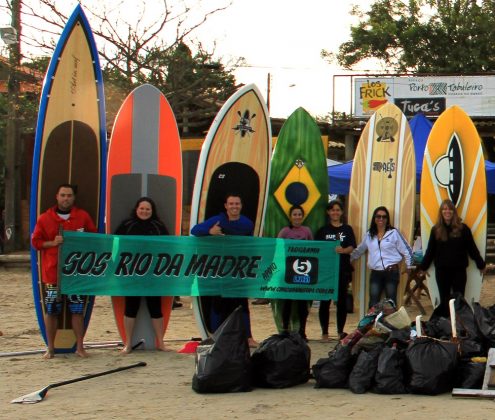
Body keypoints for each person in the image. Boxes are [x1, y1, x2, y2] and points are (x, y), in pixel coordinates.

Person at [31, 184, 96, 359]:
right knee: (52, 310)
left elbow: (94, 238)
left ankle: (80, 347)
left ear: (74, 198)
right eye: (63, 195)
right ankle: (50, 348)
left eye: (69, 195)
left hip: (76, 274)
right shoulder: (45, 218)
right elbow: (35, 242)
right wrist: (52, 243)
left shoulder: (82, 217)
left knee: (77, 310)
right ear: (57, 197)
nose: (66, 198)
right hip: (53, 274)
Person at [190, 193, 257, 347]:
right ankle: (216, 336)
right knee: (218, 303)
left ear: (241, 206)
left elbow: (251, 245)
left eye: (237, 204)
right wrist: (210, 232)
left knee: (242, 303)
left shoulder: (247, 224)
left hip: (239, 269)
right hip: (220, 270)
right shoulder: (217, 220)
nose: (234, 206)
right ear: (226, 206)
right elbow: (195, 230)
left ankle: (248, 337)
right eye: (231, 204)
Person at [115, 197, 171, 353]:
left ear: (152, 211)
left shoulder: (158, 226)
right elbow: (115, 243)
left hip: (153, 274)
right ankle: (128, 344)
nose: (144, 211)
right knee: (131, 307)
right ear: (136, 209)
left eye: (148, 209)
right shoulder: (127, 225)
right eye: (142, 208)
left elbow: (168, 246)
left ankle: (161, 342)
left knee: (156, 308)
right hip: (132, 274)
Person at [418, 199, 486, 317]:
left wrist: (481, 264)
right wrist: (423, 267)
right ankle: (446, 326)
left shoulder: (463, 229)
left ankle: (460, 326)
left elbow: (472, 249)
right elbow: (430, 251)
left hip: (459, 271)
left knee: (459, 300)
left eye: (449, 209)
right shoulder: (436, 230)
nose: (447, 211)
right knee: (444, 299)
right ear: (441, 212)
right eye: (444, 209)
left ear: (454, 212)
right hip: (442, 271)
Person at [351, 206, 413, 308]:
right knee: (373, 303)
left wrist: (409, 265)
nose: (381, 219)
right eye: (378, 216)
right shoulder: (369, 235)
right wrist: (348, 259)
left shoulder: (394, 233)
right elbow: (359, 250)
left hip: (391, 271)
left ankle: (391, 324)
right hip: (376, 273)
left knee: (391, 303)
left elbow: (407, 250)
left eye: (384, 217)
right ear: (374, 218)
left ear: (387, 219)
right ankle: (372, 324)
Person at [315, 200, 356, 340]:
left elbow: (352, 246)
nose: (335, 212)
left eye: (338, 210)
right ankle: (325, 333)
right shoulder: (322, 231)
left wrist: (343, 250)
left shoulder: (347, 229)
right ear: (328, 212)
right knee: (325, 301)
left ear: (342, 212)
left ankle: (340, 331)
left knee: (342, 302)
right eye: (332, 210)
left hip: (342, 270)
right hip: (326, 271)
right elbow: (317, 249)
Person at [277, 205, 313, 340]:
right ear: (290, 216)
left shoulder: (307, 231)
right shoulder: (284, 232)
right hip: (288, 271)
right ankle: (285, 330)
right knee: (287, 301)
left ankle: (302, 331)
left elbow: (313, 248)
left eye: (299, 214)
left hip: (303, 272)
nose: (297, 217)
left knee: (302, 302)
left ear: (302, 216)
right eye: (295, 214)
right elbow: (278, 249)